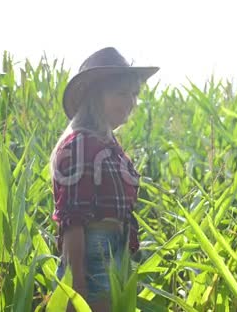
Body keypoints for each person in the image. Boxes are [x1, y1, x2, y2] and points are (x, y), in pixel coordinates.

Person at [50, 47, 159, 311]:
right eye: (122, 93)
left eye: (134, 94)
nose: (131, 102)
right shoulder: (79, 145)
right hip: (91, 260)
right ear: (96, 97)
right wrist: (78, 286)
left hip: (115, 256)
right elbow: (72, 222)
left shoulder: (108, 145)